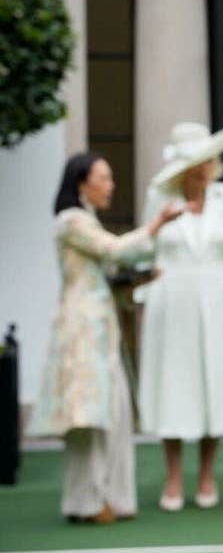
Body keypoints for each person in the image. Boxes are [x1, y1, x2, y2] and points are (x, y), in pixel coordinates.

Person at [27, 153, 181, 523]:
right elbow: (115, 250)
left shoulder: (84, 221)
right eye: (104, 178)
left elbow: (106, 274)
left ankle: (107, 497)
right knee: (89, 417)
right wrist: (157, 222)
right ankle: (88, 501)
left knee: (110, 413)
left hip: (99, 327)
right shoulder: (71, 221)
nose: (110, 185)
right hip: (81, 331)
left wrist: (136, 280)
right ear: (83, 182)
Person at [138, 122, 223, 512]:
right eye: (195, 162)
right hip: (171, 298)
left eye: (207, 161)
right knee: (175, 385)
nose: (203, 169)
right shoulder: (159, 196)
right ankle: (173, 476)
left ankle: (207, 475)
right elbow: (145, 248)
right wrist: (141, 292)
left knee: (213, 386)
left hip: (216, 298)